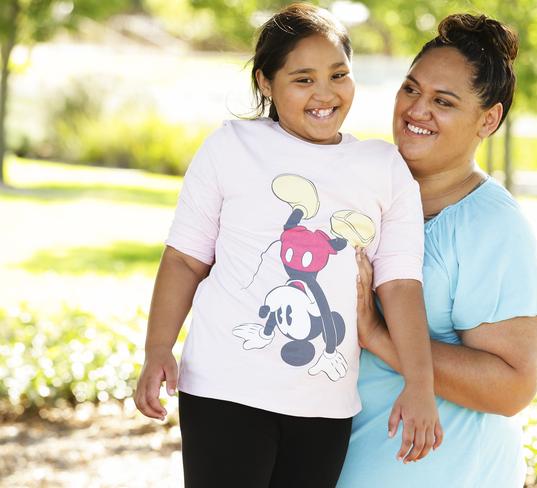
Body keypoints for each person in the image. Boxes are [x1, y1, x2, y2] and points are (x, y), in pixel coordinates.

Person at [133, 4, 440, 487]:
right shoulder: (230, 147)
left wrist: (420, 385)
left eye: (339, 74)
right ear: (265, 83)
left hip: (325, 405)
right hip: (223, 389)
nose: (325, 93)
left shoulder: (383, 167)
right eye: (303, 79)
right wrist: (158, 350)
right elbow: (184, 259)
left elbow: (401, 284)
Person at [337, 13, 537, 488]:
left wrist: (379, 335)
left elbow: (513, 387)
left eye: (443, 101)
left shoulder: (495, 229)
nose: (417, 110)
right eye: (411, 89)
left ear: (489, 119)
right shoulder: (363, 187)